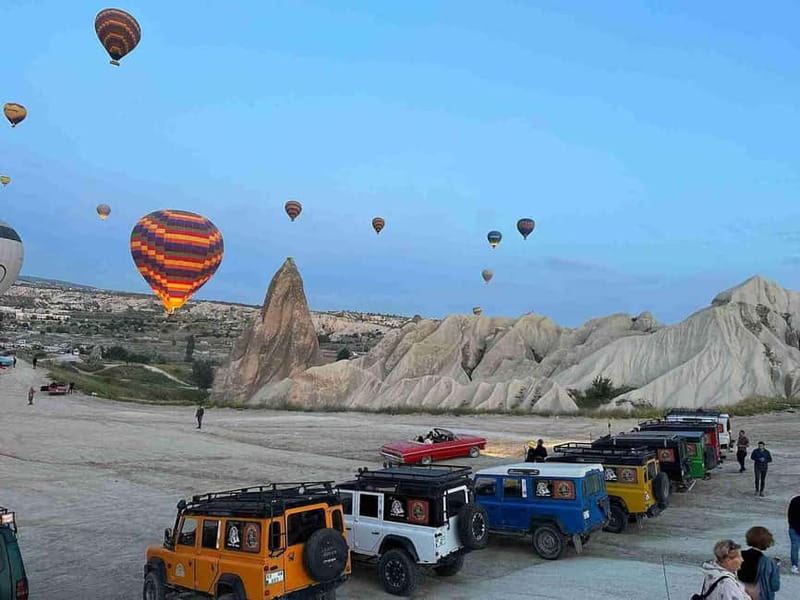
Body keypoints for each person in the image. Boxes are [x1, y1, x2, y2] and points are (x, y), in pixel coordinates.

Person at [738, 526, 781, 600]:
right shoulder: (768, 562)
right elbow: (775, 586)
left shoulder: (739, 555)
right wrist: (776, 568)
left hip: (740, 593)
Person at [789, 494, 800, 575]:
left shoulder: (794, 500)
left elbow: (789, 514)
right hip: (794, 527)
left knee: (794, 547)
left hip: (793, 527)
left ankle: (794, 565)